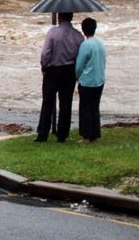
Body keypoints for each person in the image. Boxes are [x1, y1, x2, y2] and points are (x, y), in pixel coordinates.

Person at [35, 11, 84, 143]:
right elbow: (80, 57)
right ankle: (62, 134)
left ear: (59, 17)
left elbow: (45, 53)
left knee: (47, 102)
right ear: (71, 17)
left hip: (52, 71)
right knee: (66, 103)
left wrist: (44, 67)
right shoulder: (78, 36)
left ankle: (42, 134)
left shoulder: (52, 32)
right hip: (69, 71)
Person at [75, 17, 106, 143]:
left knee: (85, 108)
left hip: (87, 81)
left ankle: (86, 136)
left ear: (83, 30)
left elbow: (79, 65)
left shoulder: (85, 45)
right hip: (99, 80)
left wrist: (78, 77)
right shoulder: (100, 43)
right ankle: (94, 134)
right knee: (94, 108)